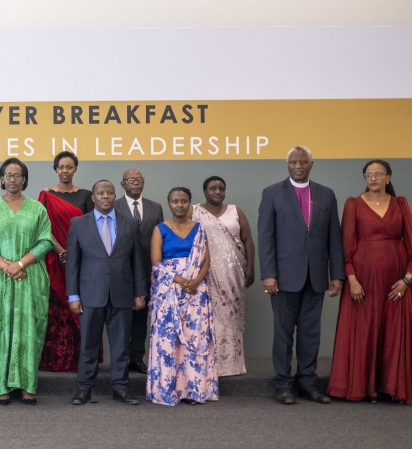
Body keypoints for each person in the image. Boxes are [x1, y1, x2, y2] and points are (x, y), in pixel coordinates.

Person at [328, 160, 412, 404]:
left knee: (394, 332)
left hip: (397, 281)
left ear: (388, 177)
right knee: (366, 330)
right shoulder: (353, 204)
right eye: (368, 174)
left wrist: (407, 278)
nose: (372, 178)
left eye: (378, 174)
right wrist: (352, 279)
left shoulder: (401, 204)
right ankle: (366, 387)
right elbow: (346, 246)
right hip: (363, 280)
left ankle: (391, 386)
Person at [258, 146, 344, 405]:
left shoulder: (326, 194)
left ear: (311, 164)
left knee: (310, 333)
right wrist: (269, 274)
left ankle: (308, 382)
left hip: (316, 276)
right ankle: (283, 384)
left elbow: (334, 237)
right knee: (283, 333)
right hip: (283, 277)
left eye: (302, 162)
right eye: (293, 162)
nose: (298, 166)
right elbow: (266, 237)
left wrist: (336, 274)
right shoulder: (272, 192)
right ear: (287, 165)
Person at [0, 158, 53, 405]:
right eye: (8, 175)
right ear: (1, 179)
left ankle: (27, 385)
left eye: (18, 175)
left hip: (29, 278)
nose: (12, 179)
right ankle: (0, 385)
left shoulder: (37, 209)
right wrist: (6, 266)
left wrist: (19, 264)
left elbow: (46, 241)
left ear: (25, 180)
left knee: (28, 330)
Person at [66, 180, 146, 406]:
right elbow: (72, 263)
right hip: (90, 294)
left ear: (114, 195)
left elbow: (137, 260)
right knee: (89, 344)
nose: (106, 197)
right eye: (100, 193)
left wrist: (140, 292)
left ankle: (121, 388)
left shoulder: (130, 223)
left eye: (110, 193)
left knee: (121, 346)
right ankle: (84, 389)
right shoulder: (79, 223)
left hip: (122, 292)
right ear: (93, 197)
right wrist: (73, 295)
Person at [146, 187, 218, 406]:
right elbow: (156, 263)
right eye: (175, 201)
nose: (180, 205)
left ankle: (194, 391)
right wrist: (180, 281)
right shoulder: (160, 229)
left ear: (190, 203)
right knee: (169, 341)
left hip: (196, 292)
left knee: (194, 339)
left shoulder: (200, 229)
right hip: (169, 291)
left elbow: (206, 261)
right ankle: (168, 390)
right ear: (169, 203)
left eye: (184, 201)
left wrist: (195, 282)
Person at [191, 176, 256, 377]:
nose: (217, 192)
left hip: (233, 273)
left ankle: (232, 363)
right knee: (207, 317)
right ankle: (208, 363)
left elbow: (248, 241)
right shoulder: (194, 211)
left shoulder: (235, 211)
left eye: (221, 188)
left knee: (231, 317)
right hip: (205, 274)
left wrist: (251, 267)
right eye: (212, 188)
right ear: (204, 191)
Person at [37, 151, 93, 373]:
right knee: (55, 311)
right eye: (61, 167)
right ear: (55, 169)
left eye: (69, 167)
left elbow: (91, 228)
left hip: (81, 261)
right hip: (53, 260)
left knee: (78, 307)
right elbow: (42, 229)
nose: (65, 171)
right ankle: (53, 360)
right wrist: (62, 252)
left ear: (76, 169)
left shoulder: (86, 196)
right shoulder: (46, 195)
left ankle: (79, 360)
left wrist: (74, 253)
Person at [115, 168, 163, 373]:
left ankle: (136, 357)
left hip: (148, 269)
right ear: (122, 184)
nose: (135, 182)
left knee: (141, 316)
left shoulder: (156, 207)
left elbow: (161, 238)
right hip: (121, 270)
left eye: (139, 179)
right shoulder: (112, 206)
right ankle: (121, 359)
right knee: (121, 317)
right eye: (130, 179)